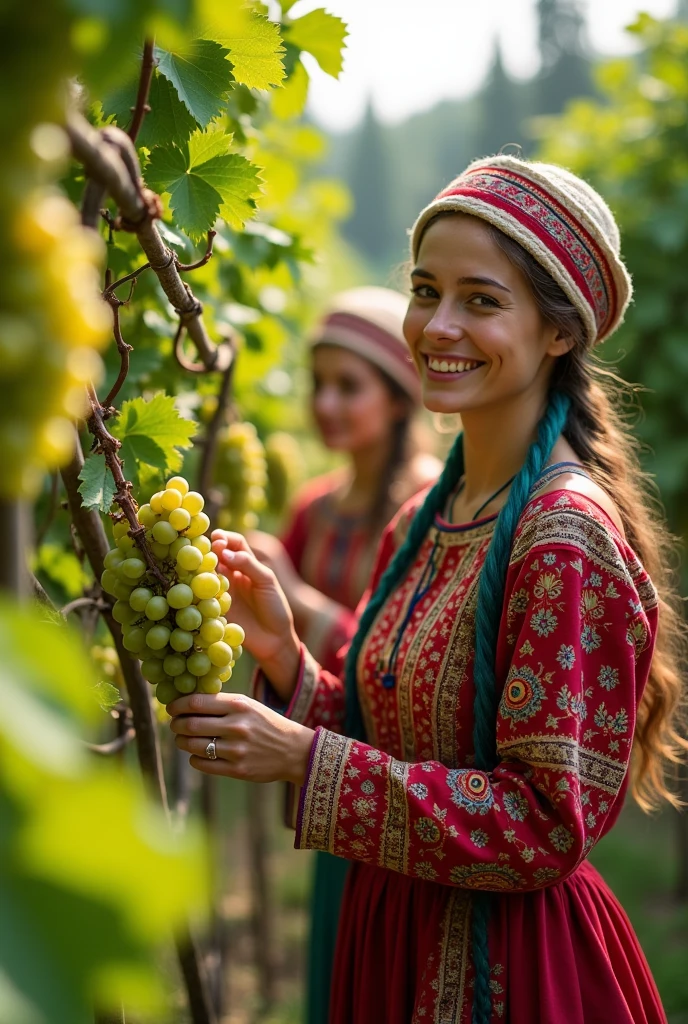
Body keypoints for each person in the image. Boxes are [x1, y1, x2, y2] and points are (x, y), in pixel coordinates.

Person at [169, 156, 687, 1024]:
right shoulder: (425, 515)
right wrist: (283, 656)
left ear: (560, 333)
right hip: (395, 931)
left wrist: (304, 757)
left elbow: (542, 827)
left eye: (481, 300)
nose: (437, 326)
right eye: (424, 289)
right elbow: (401, 735)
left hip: (506, 970)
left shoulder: (565, 539)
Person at [247, 286, 440, 1023]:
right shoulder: (315, 507)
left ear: (398, 398)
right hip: (332, 771)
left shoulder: (428, 506)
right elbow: (281, 647)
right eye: (317, 384)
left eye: (347, 386)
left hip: (404, 784)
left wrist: (292, 592)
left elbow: (384, 651)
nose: (324, 404)